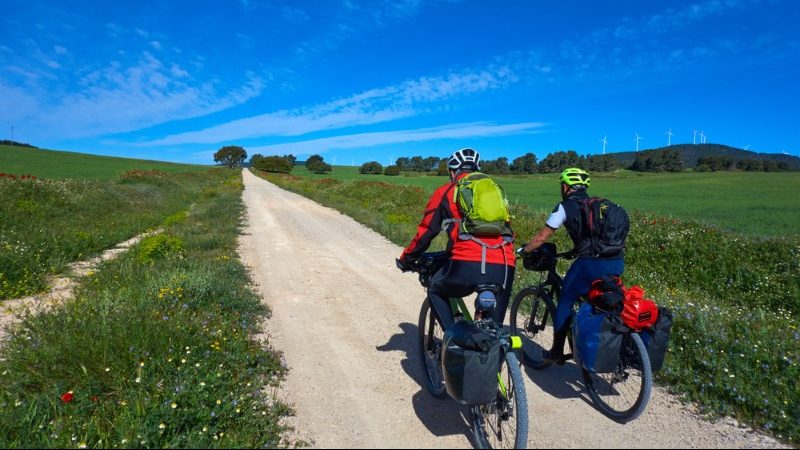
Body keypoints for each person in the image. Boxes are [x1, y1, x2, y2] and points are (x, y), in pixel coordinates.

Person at [397, 148, 516, 329]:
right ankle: (497, 352)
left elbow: (427, 231)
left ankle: (452, 338)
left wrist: (408, 258)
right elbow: (508, 230)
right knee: (495, 330)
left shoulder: (447, 190)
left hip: (466, 261)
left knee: (435, 289)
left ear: (452, 171)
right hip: (505, 262)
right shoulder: (495, 193)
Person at [519, 167, 625, 367]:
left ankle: (556, 352)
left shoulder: (565, 206)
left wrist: (525, 250)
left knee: (566, 300)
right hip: (617, 261)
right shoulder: (598, 206)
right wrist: (575, 251)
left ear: (566, 186)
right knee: (602, 299)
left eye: (562, 185)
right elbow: (593, 237)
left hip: (590, 264)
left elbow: (543, 237)